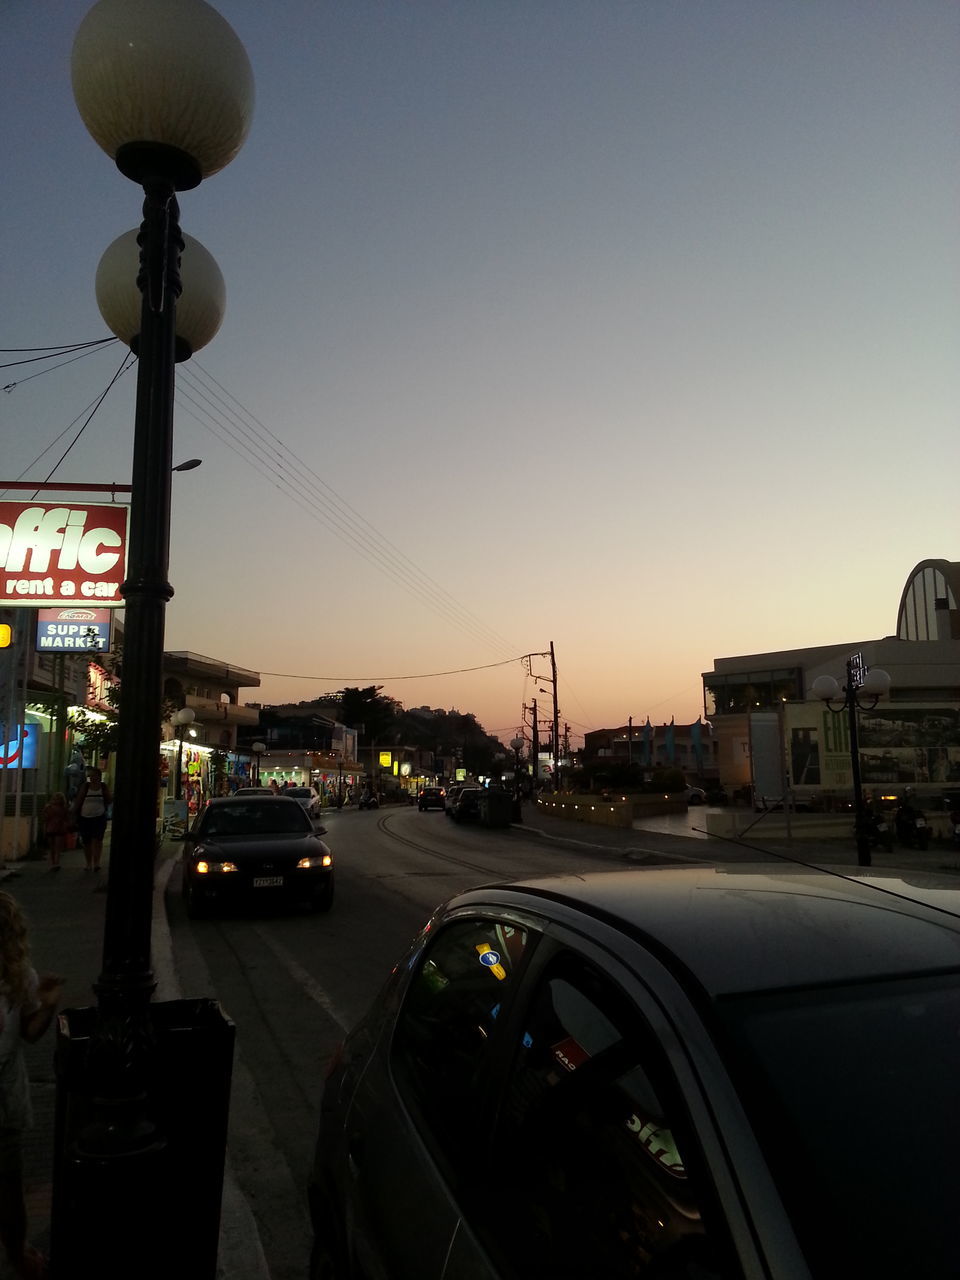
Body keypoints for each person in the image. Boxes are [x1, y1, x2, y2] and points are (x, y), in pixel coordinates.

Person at [0, 892, 64, 1279]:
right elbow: (29, 1032)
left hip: (4, 1102)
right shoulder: (17, 972)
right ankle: (18, 1254)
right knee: (7, 1187)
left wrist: (46, 1000)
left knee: (9, 1187)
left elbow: (28, 1030)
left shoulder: (17, 974)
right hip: (4, 1101)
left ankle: (17, 1252)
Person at [72, 767, 111, 874]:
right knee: (87, 841)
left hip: (99, 817)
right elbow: (79, 800)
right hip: (85, 817)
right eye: (90, 776)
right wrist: (73, 814)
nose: (92, 778)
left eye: (94, 775)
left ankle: (96, 863)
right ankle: (88, 863)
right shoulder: (86, 787)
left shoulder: (103, 787)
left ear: (99, 776)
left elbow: (109, 799)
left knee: (97, 840)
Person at [39, 795, 70, 873]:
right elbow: (66, 818)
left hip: (54, 829)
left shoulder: (50, 808)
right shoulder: (61, 808)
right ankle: (55, 863)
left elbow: (45, 818)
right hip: (56, 828)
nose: (56, 800)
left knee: (54, 847)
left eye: (57, 799)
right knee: (55, 847)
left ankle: (55, 863)